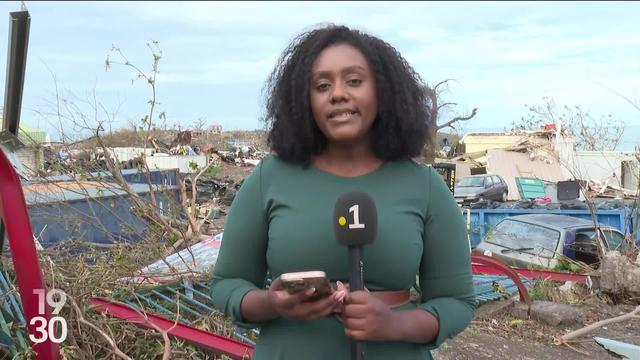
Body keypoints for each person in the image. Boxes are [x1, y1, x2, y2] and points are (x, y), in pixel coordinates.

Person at [210, 24, 476, 359]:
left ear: (382, 91)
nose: (337, 94)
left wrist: (394, 326)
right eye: (322, 85)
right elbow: (226, 285)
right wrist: (271, 303)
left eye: (354, 81)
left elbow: (457, 301)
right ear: (304, 100)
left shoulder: (424, 186)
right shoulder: (269, 179)